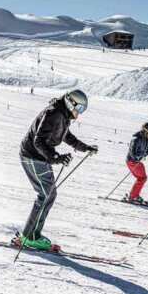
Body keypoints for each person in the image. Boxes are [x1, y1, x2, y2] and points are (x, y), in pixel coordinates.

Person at [15, 89, 98, 251]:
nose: (79, 113)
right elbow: (38, 140)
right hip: (32, 155)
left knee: (49, 194)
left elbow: (66, 136)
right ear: (70, 103)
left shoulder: (63, 115)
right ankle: (29, 236)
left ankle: (33, 234)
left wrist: (85, 148)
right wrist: (55, 157)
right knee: (46, 195)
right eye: (79, 109)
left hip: (41, 157)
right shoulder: (54, 113)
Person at [124, 122, 148, 205]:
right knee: (142, 178)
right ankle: (133, 196)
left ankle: (134, 195)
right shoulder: (136, 139)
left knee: (142, 178)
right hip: (132, 161)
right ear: (145, 131)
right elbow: (133, 153)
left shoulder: (145, 139)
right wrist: (140, 156)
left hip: (137, 161)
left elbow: (146, 151)